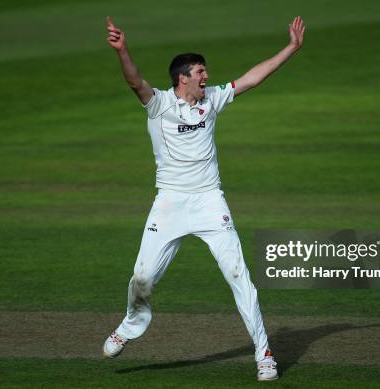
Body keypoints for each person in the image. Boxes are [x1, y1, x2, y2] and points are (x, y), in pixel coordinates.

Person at [102, 15, 305, 381]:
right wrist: (123, 50)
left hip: (210, 202)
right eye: (199, 72)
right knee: (143, 278)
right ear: (182, 78)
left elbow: (252, 78)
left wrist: (290, 47)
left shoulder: (212, 99)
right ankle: (130, 325)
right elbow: (134, 81)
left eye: (205, 72)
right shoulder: (159, 105)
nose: (206, 77)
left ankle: (265, 355)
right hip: (170, 203)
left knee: (239, 276)